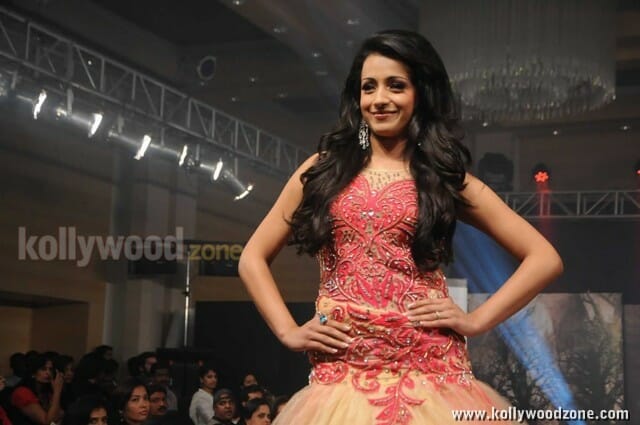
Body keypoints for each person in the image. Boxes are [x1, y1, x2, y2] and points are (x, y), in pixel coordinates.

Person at [237, 29, 563, 424]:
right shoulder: (324, 170)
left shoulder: (443, 178)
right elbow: (252, 258)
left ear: (420, 93)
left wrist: (476, 320)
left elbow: (544, 258)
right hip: (344, 370)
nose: (379, 99)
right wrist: (287, 331)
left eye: (396, 85)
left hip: (430, 371)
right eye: (368, 87)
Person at [9, 354, 64, 425]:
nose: (48, 373)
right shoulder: (22, 392)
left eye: (50, 369)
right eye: (43, 369)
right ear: (33, 373)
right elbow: (47, 422)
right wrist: (57, 392)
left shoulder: (46, 391)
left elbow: (60, 415)